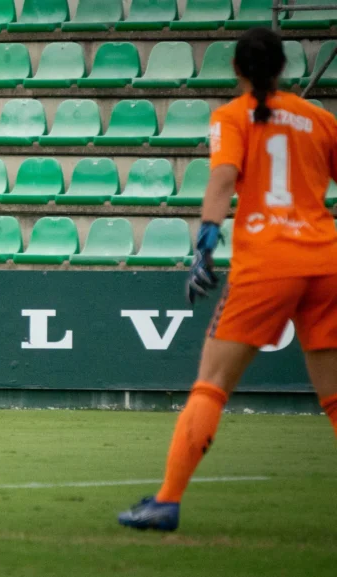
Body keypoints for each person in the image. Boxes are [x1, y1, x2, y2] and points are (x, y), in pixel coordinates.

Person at [118, 28, 337, 532]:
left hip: (268, 264)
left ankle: (167, 502)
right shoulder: (320, 119)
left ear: (237, 70)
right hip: (325, 262)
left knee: (212, 385)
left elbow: (222, 179)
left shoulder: (233, 117)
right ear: (285, 68)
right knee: (334, 396)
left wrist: (206, 246)